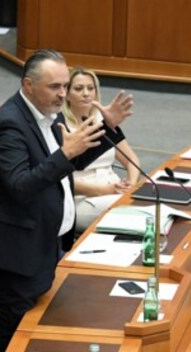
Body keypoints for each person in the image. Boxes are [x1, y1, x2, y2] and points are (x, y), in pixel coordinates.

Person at [0, 49, 134, 352]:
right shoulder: (9, 124)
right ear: (28, 84)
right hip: (18, 253)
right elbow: (21, 185)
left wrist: (107, 126)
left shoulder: (50, 117)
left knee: (31, 337)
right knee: (11, 344)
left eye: (65, 86)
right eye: (55, 87)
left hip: (44, 244)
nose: (62, 94)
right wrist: (65, 155)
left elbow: (71, 161)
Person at [62, 67, 141, 232]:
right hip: (81, 198)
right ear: (67, 93)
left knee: (148, 203)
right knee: (133, 214)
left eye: (90, 88)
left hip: (113, 188)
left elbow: (131, 159)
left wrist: (131, 185)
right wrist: (105, 190)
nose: (86, 93)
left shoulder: (103, 119)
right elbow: (61, 178)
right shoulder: (60, 125)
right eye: (78, 88)